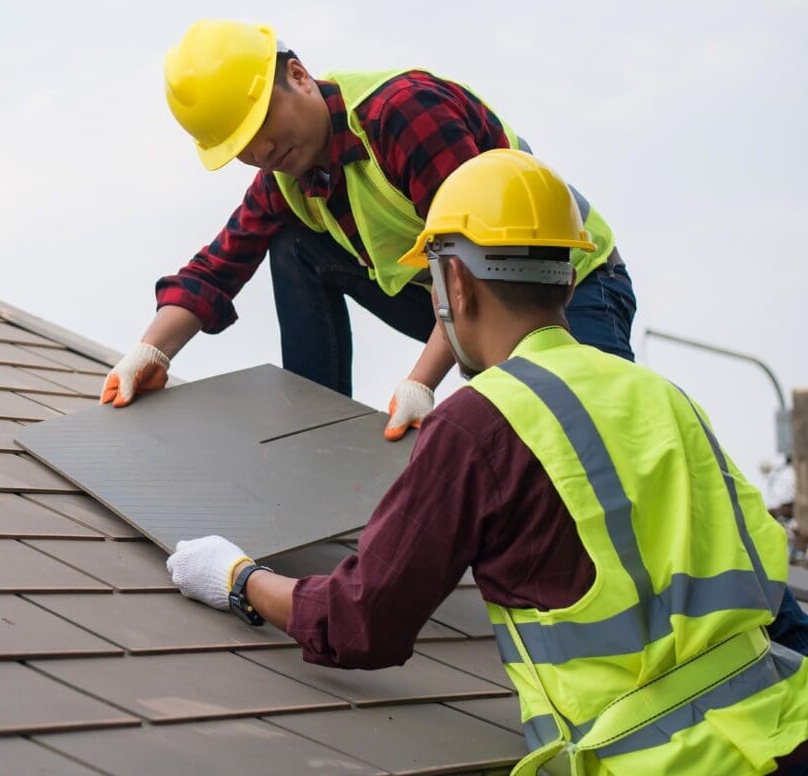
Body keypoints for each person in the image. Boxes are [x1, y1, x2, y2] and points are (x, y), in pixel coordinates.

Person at [164, 149, 808, 776]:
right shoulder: (662, 395)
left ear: (457, 284)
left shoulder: (479, 424)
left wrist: (238, 578)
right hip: (783, 723)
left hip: (657, 761)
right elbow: (765, 567)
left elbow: (362, 621)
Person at [100, 19, 635, 443]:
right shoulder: (284, 176)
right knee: (293, 245)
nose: (261, 152)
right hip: (461, 301)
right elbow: (216, 270)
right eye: (242, 147)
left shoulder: (404, 114)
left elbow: (474, 256)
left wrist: (420, 384)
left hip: (563, 285)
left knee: (595, 435)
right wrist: (151, 353)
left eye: (262, 125)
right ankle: (316, 431)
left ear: (300, 77)